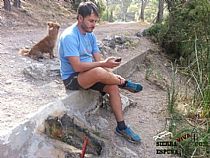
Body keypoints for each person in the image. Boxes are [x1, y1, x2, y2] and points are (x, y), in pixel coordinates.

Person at [58, 1, 142, 143]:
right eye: (91, 21)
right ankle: (124, 83)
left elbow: (99, 60)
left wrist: (111, 74)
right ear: (80, 18)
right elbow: (77, 67)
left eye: (95, 21)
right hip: (72, 78)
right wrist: (104, 65)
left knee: (112, 86)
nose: (94, 24)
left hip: (91, 73)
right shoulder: (69, 37)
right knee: (98, 70)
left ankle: (121, 126)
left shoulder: (90, 35)